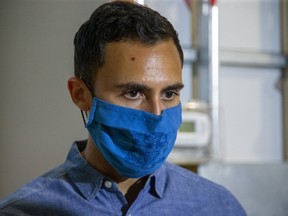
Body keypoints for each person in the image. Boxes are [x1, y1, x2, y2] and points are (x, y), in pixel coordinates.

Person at [0, 1, 246, 215]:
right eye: (134, 93)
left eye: (169, 93)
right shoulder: (26, 211)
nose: (156, 116)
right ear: (80, 94)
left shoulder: (218, 206)